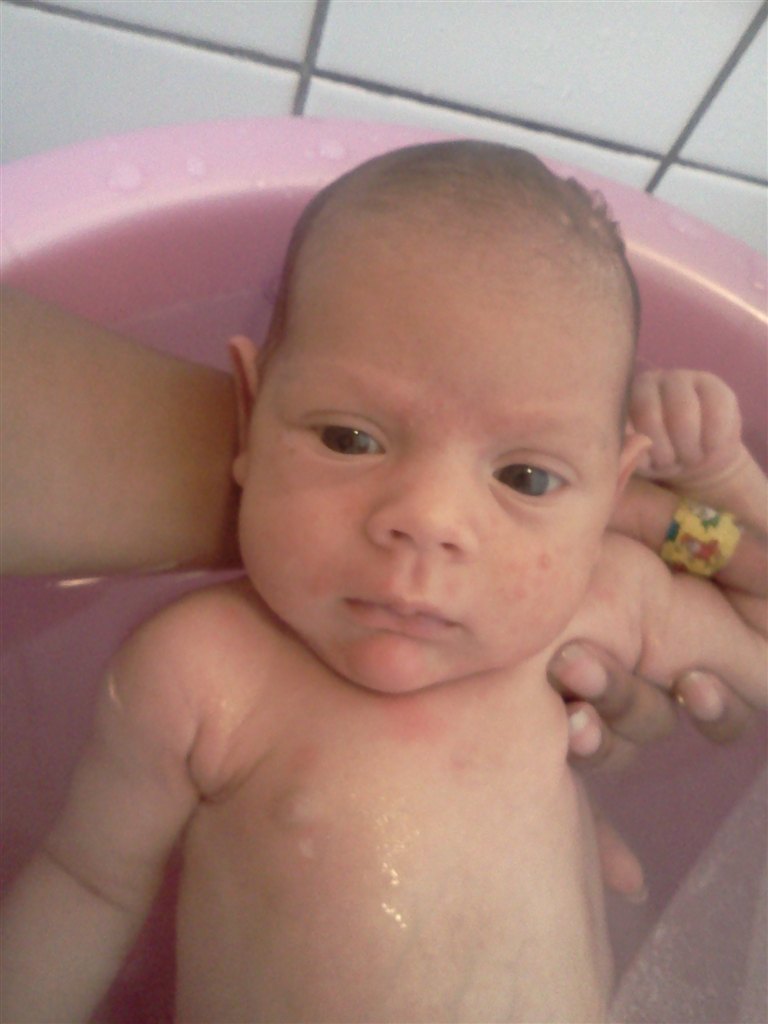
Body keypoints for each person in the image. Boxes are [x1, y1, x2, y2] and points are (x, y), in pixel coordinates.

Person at [1, 141, 765, 1023]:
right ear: (251, 413)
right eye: (349, 438)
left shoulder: (598, 603)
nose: (426, 519)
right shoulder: (198, 672)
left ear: (611, 491)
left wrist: (723, 485)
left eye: (526, 478)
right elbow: (88, 885)